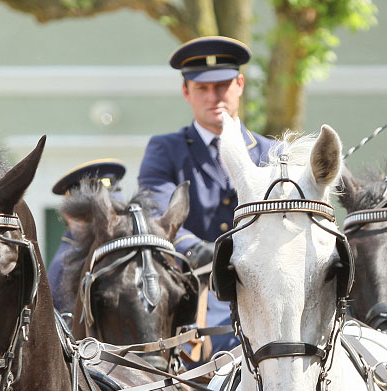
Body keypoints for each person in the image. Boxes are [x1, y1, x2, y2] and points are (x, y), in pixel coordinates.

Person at [138, 36, 274, 353]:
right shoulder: (165, 150)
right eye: (202, 88)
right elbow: (157, 216)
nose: (214, 97)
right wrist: (198, 251)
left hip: (266, 296)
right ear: (186, 91)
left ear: (240, 84)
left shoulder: (272, 153)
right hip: (193, 298)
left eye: (223, 85)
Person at [47, 159, 127, 314]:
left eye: (115, 215)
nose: (109, 225)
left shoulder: (114, 253)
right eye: (97, 216)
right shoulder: (65, 266)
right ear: (70, 216)